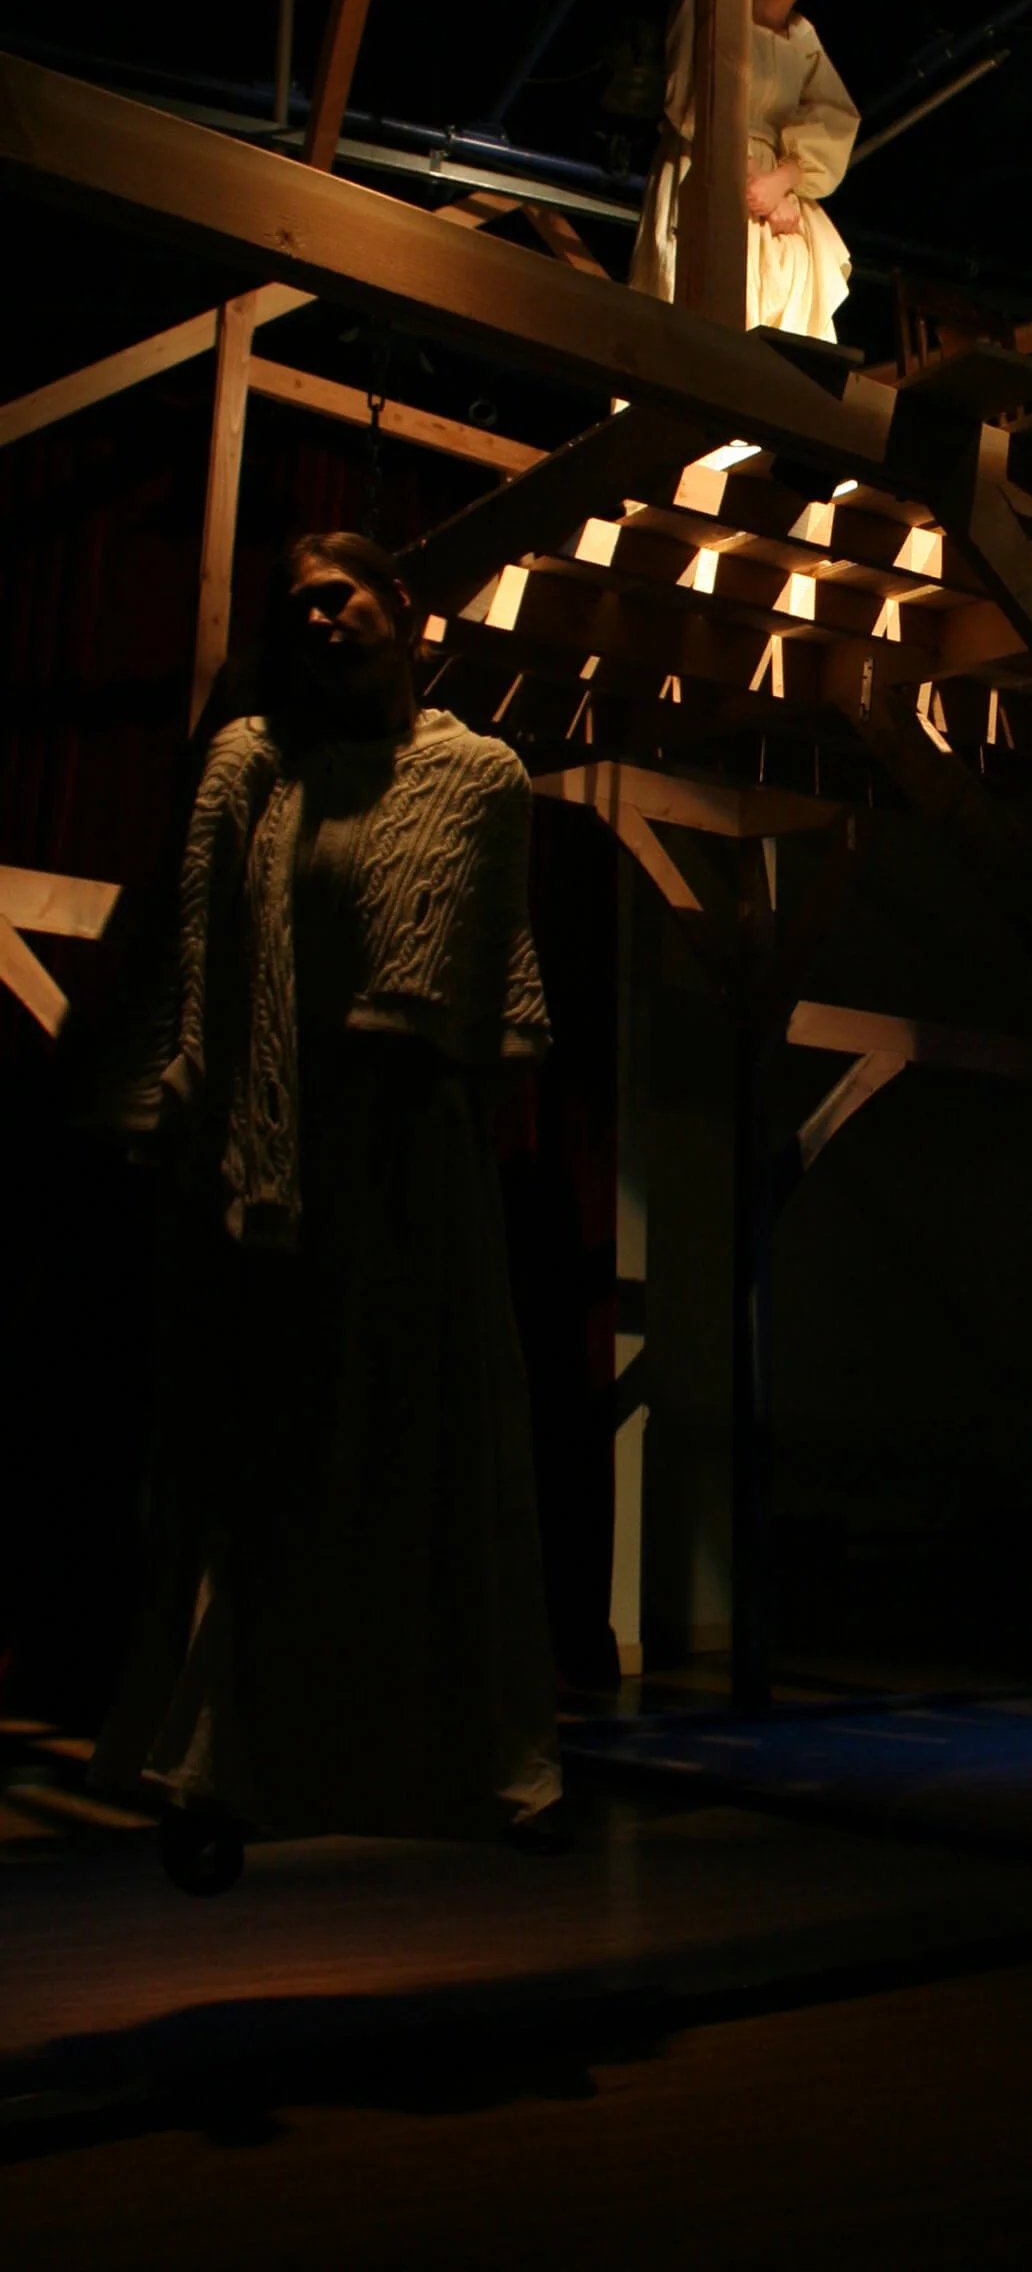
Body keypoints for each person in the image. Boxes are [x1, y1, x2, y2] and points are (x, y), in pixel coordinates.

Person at [94, 532, 561, 1888]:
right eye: (296, 605)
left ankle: (456, 1763)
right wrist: (195, 1106)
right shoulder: (252, 769)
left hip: (410, 1168)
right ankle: (223, 1766)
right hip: (276, 1169)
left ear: (402, 611)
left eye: (339, 593)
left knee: (412, 1460)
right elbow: (205, 955)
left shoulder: (477, 777)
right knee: (262, 1474)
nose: (318, 618)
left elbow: (481, 976)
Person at [630, 0, 862, 341]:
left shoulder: (804, 41)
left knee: (777, 316)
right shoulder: (707, 0)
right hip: (704, 166)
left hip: (772, 193)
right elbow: (687, 99)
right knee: (694, 305)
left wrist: (784, 179)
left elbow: (837, 122)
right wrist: (753, 179)